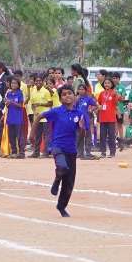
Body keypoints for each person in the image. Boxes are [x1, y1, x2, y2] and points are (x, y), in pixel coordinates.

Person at [38, 84, 87, 218]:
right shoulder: (56, 111)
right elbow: (38, 117)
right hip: (57, 146)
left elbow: (82, 135)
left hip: (71, 149)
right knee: (62, 166)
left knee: (69, 182)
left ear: (75, 96)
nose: (67, 96)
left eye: (69, 93)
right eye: (64, 94)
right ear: (60, 99)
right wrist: (32, 134)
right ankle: (56, 179)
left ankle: (61, 206)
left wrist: (82, 128)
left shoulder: (79, 113)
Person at [3, 75, 27, 157]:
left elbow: (21, 105)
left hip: (18, 118)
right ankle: (13, 151)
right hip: (10, 118)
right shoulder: (9, 93)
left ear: (18, 85)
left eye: (15, 83)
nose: (13, 85)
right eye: (12, 83)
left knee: (19, 136)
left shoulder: (19, 93)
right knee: (11, 136)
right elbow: (8, 105)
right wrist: (6, 103)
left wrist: (11, 102)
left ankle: (21, 152)